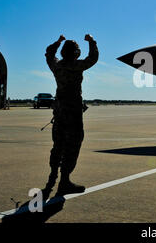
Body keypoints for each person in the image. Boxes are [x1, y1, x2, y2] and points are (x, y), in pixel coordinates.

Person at [42, 34, 99, 198]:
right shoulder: (76, 66)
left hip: (59, 111)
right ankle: (64, 181)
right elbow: (93, 58)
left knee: (58, 144)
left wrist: (57, 42)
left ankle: (53, 176)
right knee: (73, 144)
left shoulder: (57, 66)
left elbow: (48, 54)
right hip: (72, 111)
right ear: (75, 53)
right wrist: (92, 41)